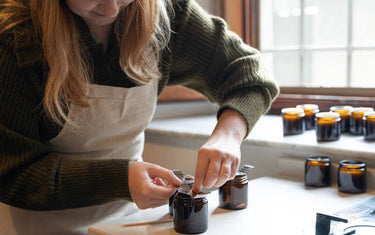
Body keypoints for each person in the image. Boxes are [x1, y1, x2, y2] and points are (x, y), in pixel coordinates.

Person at [0, 0, 279, 234]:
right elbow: (12, 173)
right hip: (41, 224)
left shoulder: (169, 15)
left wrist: (228, 135)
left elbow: (249, 74)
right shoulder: (15, 35)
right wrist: (121, 179)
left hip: (129, 220)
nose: (111, 9)